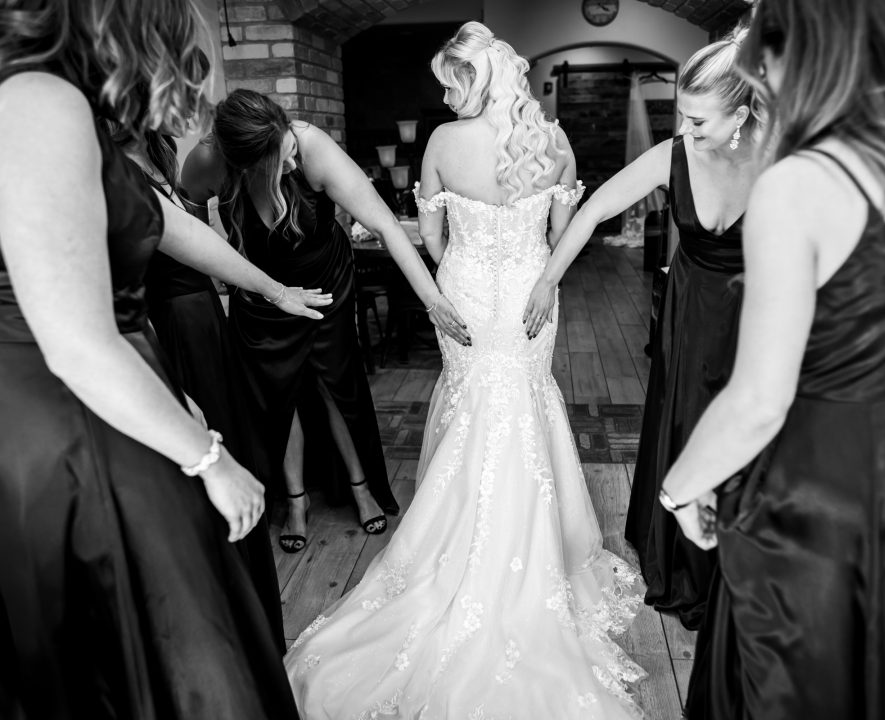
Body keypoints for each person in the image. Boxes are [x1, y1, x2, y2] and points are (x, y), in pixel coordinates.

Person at [282, 22, 645, 719]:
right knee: (530, 401)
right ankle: (540, 557)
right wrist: (537, 273)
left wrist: (465, 265)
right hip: (534, 291)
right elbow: (570, 231)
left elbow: (436, 236)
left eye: (452, 82)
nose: (445, 95)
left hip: (468, 291)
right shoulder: (555, 140)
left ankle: (459, 548)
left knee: (475, 407)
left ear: (475, 79)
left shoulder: (444, 145)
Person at [0, 1, 328, 716]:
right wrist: (209, 457)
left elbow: (167, 224)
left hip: (111, 396)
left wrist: (272, 288)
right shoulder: (36, 102)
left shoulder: (76, 109)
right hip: (67, 425)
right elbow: (77, 342)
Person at [660, 0, 885, 717]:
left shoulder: (799, 185)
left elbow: (761, 397)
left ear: (811, 54)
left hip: (820, 493)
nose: (759, 77)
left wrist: (682, 488)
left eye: (767, 54)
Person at [525, 30, 762, 630]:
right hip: (691, 311)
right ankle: (683, 555)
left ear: (743, 113)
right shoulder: (673, 156)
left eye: (699, 120)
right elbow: (595, 209)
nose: (685, 130)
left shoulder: (783, 158)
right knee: (687, 416)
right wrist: (548, 279)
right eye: (680, 114)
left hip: (757, 313)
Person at [181, 90, 468, 549]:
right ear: (245, 161)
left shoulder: (309, 145)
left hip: (325, 283)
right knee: (281, 394)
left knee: (336, 385)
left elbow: (386, 225)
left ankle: (361, 487)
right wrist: (215, 299)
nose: (293, 166)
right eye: (280, 161)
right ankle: (295, 499)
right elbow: (189, 235)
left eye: (291, 151)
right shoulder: (207, 163)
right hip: (262, 290)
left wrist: (433, 300)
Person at [109, 121, 292, 650]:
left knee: (236, 445)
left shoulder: (161, 156)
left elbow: (200, 241)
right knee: (200, 472)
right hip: (170, 333)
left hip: (205, 322)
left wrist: (266, 289)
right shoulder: (113, 167)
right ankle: (227, 625)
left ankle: (256, 621)